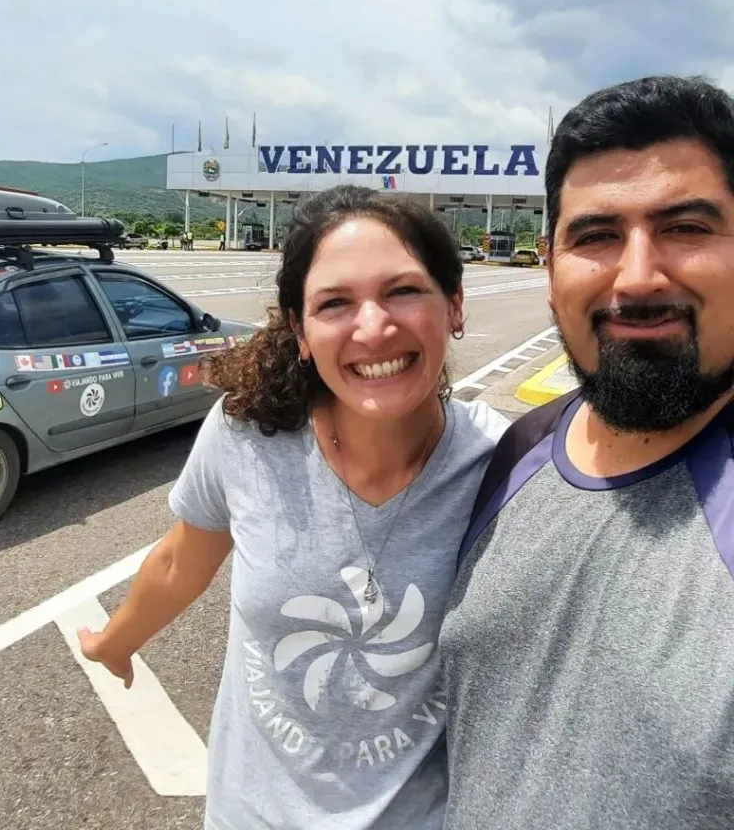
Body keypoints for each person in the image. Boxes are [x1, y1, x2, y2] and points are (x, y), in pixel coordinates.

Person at [78, 185, 510, 829]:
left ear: (454, 306)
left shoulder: (503, 462)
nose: (374, 327)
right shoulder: (247, 433)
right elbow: (179, 562)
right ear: (300, 333)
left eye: (403, 291)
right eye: (335, 302)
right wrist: (116, 642)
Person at [440, 75, 734, 829]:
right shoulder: (515, 454)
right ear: (550, 268)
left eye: (687, 227)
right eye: (596, 236)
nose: (636, 277)